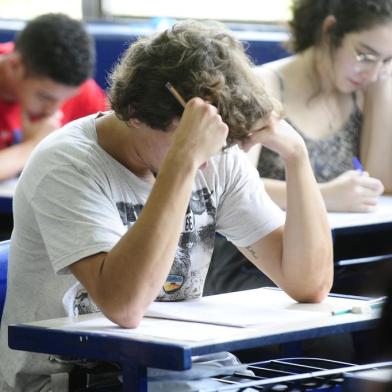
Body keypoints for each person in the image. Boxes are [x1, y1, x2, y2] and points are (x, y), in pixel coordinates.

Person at [0, 20, 333, 391]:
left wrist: (296, 157)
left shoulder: (212, 155)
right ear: (135, 114)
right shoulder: (67, 164)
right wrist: (182, 161)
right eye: (187, 140)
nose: (207, 160)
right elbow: (125, 307)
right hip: (72, 376)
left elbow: (310, 284)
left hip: (182, 366)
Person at [204, 0, 392, 298]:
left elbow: (381, 182)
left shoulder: (365, 91)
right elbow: (231, 187)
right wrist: (324, 195)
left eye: (386, 61)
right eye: (365, 55)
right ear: (330, 32)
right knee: (335, 340)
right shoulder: (263, 85)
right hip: (256, 259)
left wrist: (381, 87)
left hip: (329, 255)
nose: (371, 72)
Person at [0, 13, 107, 181]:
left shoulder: (77, 87)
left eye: (66, 98)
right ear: (15, 66)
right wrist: (34, 145)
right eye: (45, 97)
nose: (54, 109)